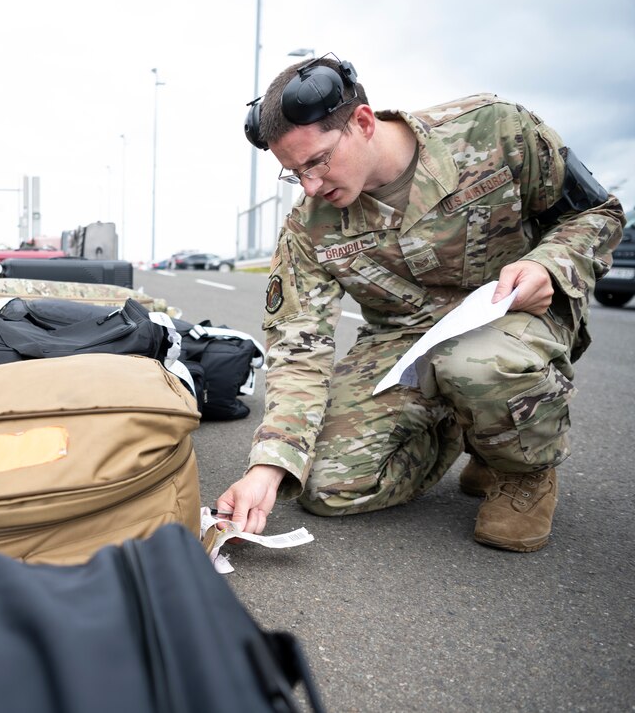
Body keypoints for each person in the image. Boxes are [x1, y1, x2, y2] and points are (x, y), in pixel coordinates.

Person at [217, 54, 624, 552]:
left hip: (513, 315)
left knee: (474, 363)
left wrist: (550, 265)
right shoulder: (310, 225)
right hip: (402, 346)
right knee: (326, 485)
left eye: (317, 162)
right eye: (293, 173)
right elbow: (299, 347)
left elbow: (597, 213)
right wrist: (270, 465)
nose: (310, 186)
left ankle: (523, 471)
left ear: (363, 122)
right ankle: (468, 425)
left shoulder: (493, 129)